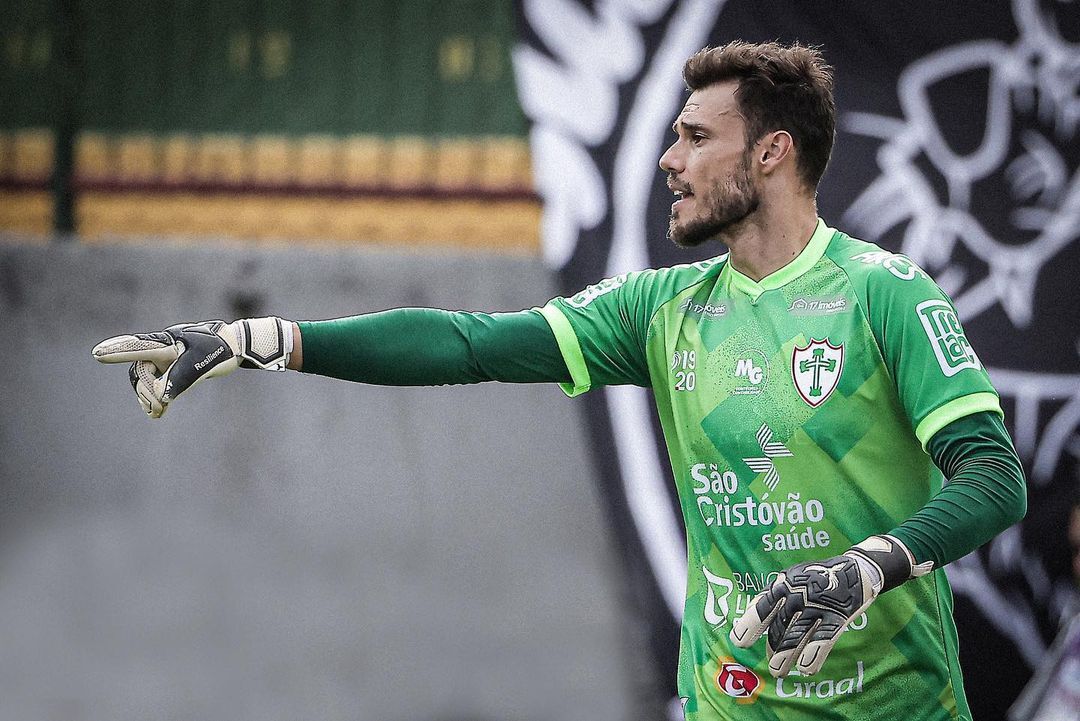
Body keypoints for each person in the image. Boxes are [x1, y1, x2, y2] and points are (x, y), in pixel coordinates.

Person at [93, 41, 1027, 720]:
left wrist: (868, 566)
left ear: (771, 154)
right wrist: (264, 337)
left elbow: (993, 479)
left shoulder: (883, 294)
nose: (670, 158)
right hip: (729, 701)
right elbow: (468, 344)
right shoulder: (662, 309)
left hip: (897, 706)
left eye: (697, 137)